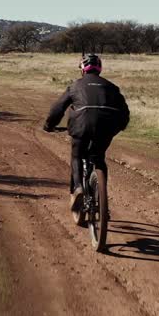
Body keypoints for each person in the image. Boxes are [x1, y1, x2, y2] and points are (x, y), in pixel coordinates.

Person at [43, 53, 130, 211]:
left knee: (77, 155)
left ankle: (78, 188)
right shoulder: (112, 87)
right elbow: (125, 113)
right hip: (107, 127)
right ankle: (101, 201)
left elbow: (57, 108)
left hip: (81, 125)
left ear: (82, 69)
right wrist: (119, 127)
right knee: (99, 158)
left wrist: (49, 125)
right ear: (100, 69)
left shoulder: (75, 86)